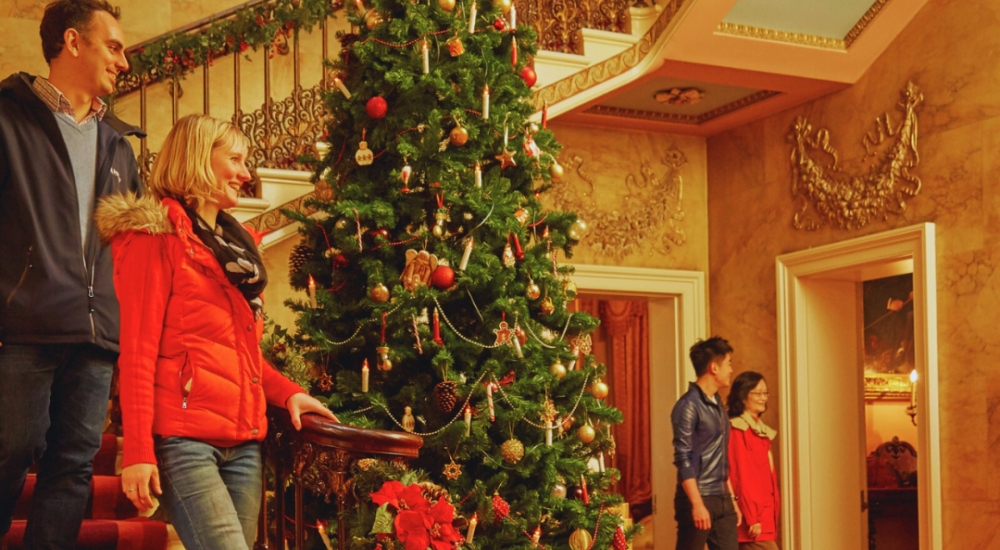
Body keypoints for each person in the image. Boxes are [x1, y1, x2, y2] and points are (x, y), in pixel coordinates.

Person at [93, 114, 336, 549]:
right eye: (237, 160)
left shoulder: (236, 246)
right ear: (198, 160)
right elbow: (137, 351)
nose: (247, 174)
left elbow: (238, 353)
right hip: (185, 439)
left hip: (244, 443)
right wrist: (138, 453)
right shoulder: (155, 236)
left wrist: (287, 392)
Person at [0, 1, 142, 547]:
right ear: (72, 42)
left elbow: (126, 249)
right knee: (10, 448)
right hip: (23, 324)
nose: (123, 62)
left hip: (96, 334)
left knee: (73, 470)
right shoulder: (9, 119)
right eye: (114, 46)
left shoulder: (118, 145)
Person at [672, 336, 742, 550]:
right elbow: (683, 459)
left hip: (722, 497)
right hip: (698, 497)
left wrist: (731, 499)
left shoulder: (718, 403)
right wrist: (697, 504)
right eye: (728, 363)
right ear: (714, 367)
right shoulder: (687, 405)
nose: (731, 369)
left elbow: (720, 456)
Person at [726, 372, 780, 550]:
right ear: (743, 397)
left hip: (764, 517)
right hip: (753, 521)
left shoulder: (759, 430)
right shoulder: (738, 430)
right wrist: (752, 517)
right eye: (757, 393)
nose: (763, 398)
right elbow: (741, 476)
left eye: (765, 393)